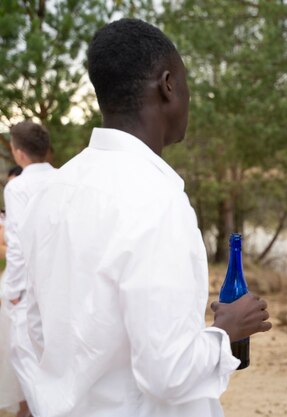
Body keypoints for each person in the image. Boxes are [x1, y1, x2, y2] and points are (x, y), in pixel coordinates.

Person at [16, 18, 271, 417]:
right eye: (186, 85)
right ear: (168, 84)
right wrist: (227, 331)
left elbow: (35, 331)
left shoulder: (51, 192)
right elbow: (169, 374)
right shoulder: (155, 201)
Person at [3, 121, 57, 417]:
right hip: (66, 285)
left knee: (28, 363)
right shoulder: (65, 178)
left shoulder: (19, 187)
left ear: (19, 153)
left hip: (30, 288)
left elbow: (18, 243)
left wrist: (12, 291)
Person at [0, 166, 29, 417]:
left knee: (17, 350)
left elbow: (14, 248)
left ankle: (26, 408)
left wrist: (12, 290)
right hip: (15, 281)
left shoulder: (19, 192)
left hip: (18, 286)